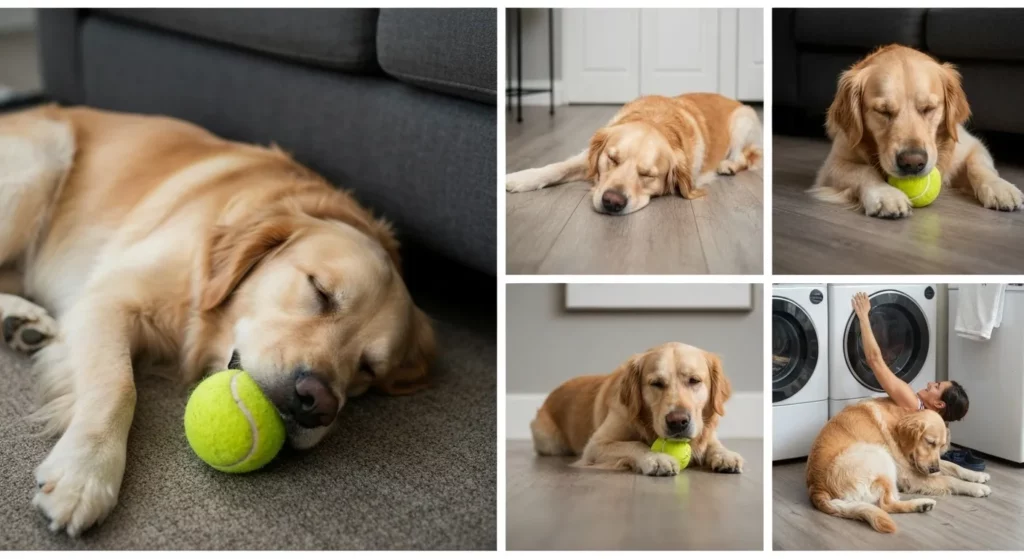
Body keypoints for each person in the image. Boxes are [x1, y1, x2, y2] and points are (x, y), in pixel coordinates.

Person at [852, 292, 984, 470]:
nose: (930, 383)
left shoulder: (912, 403)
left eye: (936, 386)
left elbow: (875, 361)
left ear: (938, 404)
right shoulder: (936, 427)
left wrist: (864, 317)